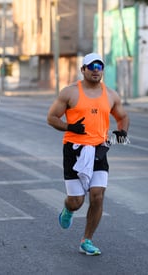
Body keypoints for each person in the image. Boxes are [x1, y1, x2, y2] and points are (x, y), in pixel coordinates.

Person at [47, 53, 129, 256]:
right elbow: (51, 117)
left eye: (99, 66)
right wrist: (69, 126)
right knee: (76, 201)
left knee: (97, 196)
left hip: (99, 150)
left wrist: (121, 133)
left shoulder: (110, 95)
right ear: (83, 69)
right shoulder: (69, 93)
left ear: (102, 70)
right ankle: (68, 209)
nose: (95, 69)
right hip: (74, 150)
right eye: (91, 66)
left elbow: (123, 116)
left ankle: (87, 240)